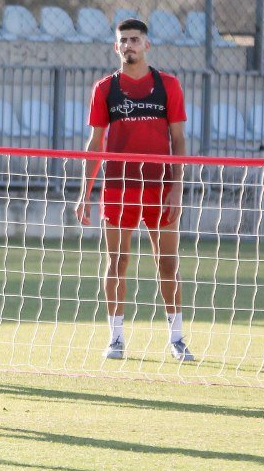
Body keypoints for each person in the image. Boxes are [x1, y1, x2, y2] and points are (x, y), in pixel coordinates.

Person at [74, 18, 194, 363]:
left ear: (147, 45)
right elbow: (95, 143)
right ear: (116, 47)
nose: (129, 45)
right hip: (118, 186)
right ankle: (115, 338)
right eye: (123, 40)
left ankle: (177, 338)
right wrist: (85, 192)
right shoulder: (104, 89)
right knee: (117, 261)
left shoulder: (168, 85)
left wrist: (176, 186)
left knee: (167, 263)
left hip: (159, 186)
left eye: (135, 39)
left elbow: (179, 139)